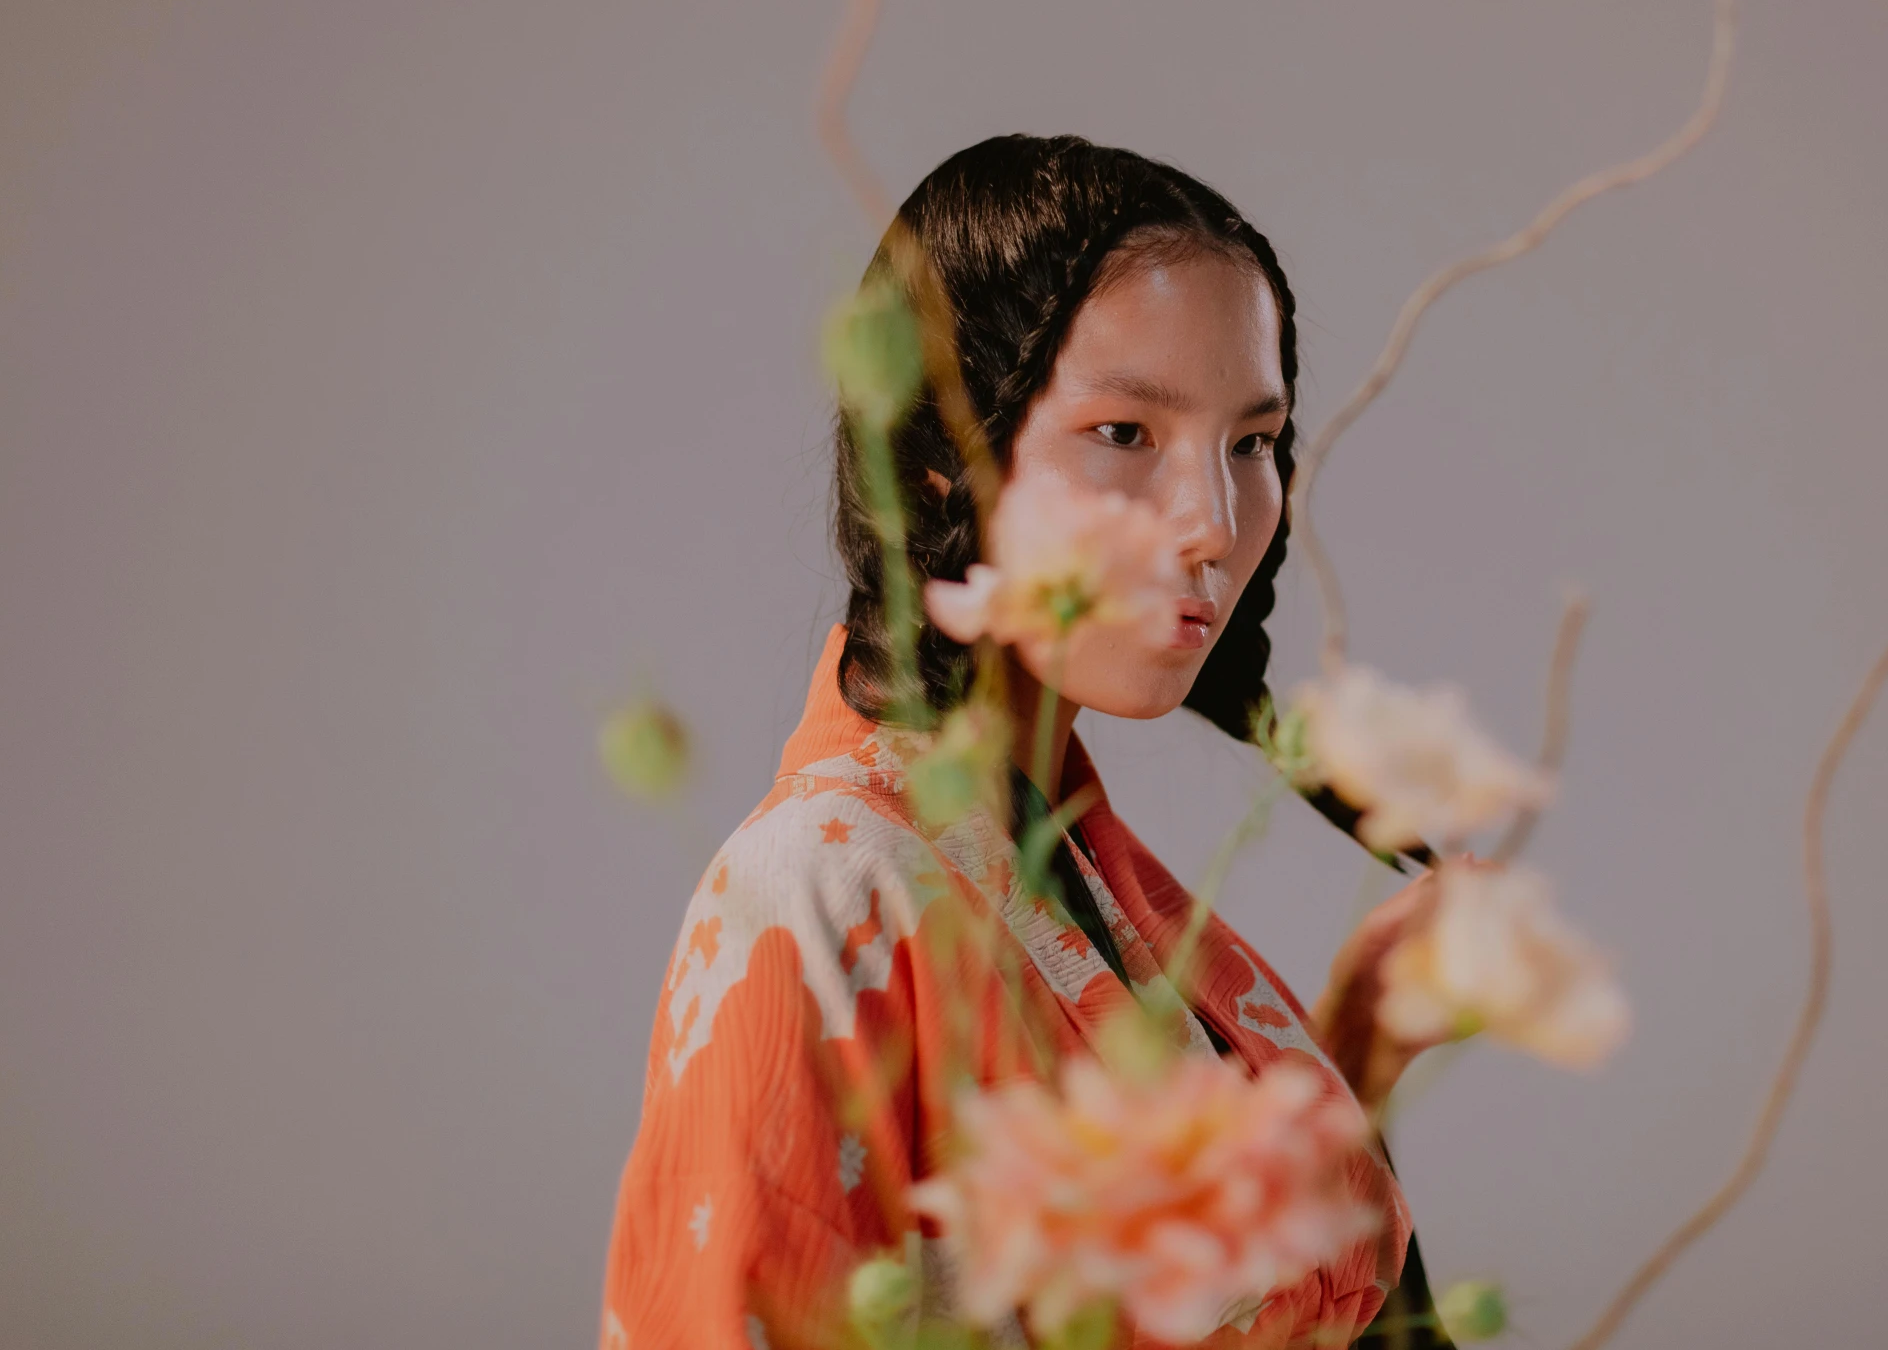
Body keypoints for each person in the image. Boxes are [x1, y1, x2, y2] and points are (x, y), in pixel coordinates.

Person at [600, 135, 1449, 1350]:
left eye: (1251, 444)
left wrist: (1352, 1055)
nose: (1211, 523)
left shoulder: (1086, 872)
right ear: (946, 461)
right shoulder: (818, 889)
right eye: (1123, 433)